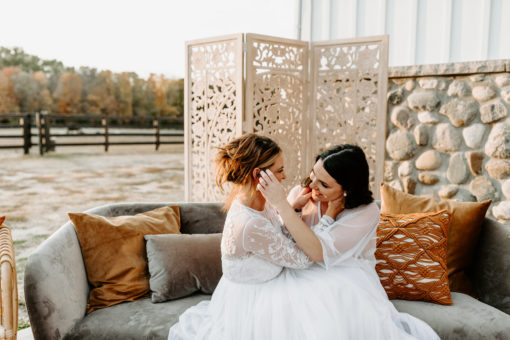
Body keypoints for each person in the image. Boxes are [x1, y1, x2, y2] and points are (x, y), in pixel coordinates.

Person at [169, 134, 438, 339]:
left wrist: (286, 207)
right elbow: (287, 240)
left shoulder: (365, 213)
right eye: (312, 176)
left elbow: (316, 252)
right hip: (298, 268)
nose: (311, 187)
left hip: (341, 270)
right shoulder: (297, 197)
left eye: (323, 184)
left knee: (336, 298)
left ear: (346, 190)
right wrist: (291, 206)